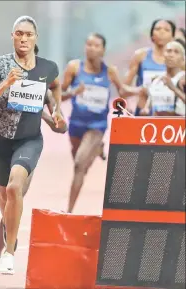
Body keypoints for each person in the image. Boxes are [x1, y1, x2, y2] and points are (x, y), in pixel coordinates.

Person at [0, 15, 66, 274]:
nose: (24, 38)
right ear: (13, 36)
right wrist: (6, 83)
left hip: (29, 140)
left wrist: (57, 110)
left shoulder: (47, 68)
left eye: (29, 34)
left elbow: (56, 86)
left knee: (16, 188)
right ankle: (3, 245)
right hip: (1, 142)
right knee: (2, 198)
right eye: (19, 34)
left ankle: (9, 250)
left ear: (35, 37)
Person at [61, 33, 142, 213]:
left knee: (79, 165)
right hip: (76, 124)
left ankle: (69, 211)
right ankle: (97, 149)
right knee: (80, 162)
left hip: (97, 126)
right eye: (89, 44)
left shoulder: (110, 70)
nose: (91, 48)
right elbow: (60, 94)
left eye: (96, 45)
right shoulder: (74, 68)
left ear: (103, 49)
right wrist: (75, 92)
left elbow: (122, 91)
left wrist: (139, 90)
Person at [123, 19, 176, 116]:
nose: (162, 32)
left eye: (166, 30)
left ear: (173, 37)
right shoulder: (140, 56)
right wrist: (128, 106)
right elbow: (124, 87)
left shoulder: (179, 60)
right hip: (144, 112)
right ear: (152, 35)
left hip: (169, 114)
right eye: (158, 29)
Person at [140, 40, 185, 116]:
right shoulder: (156, 80)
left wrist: (174, 88)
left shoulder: (183, 79)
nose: (171, 55)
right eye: (168, 51)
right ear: (163, 56)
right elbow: (148, 107)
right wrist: (145, 111)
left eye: (176, 52)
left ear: (183, 59)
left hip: (178, 126)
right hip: (157, 126)